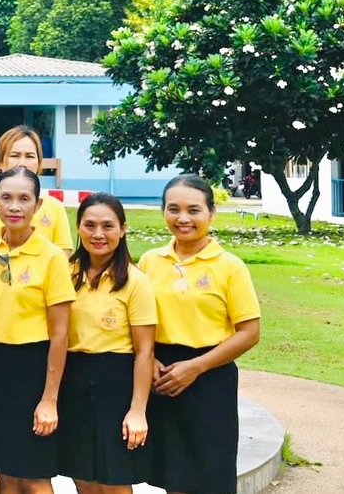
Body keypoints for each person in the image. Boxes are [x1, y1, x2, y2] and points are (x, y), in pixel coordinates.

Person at [138, 175, 261, 494]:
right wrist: (148, 360)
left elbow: (249, 333)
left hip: (210, 378)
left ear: (211, 213)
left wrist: (196, 367)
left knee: (210, 476)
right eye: (173, 209)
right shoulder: (150, 262)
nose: (183, 218)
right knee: (175, 476)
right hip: (162, 376)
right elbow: (137, 321)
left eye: (194, 210)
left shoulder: (229, 266)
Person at [0, 167, 75, 494]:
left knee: (34, 475)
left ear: (38, 206)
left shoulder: (52, 258)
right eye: (7, 198)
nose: (15, 206)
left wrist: (49, 399)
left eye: (24, 199)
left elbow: (60, 334)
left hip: (33, 369)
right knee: (3, 473)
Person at [60, 193, 156, 494]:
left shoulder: (135, 281)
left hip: (116, 383)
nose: (98, 234)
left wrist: (137, 410)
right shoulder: (65, 272)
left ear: (123, 229)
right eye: (89, 225)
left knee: (113, 478)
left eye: (107, 226)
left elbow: (145, 351)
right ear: (78, 228)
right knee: (83, 475)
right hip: (73, 381)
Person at [0, 126, 73, 265]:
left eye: (30, 156)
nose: (22, 163)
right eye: (15, 155)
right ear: (0, 161)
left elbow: (62, 262)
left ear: (39, 163)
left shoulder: (55, 207)